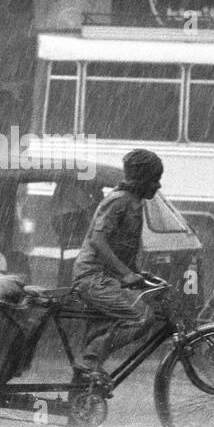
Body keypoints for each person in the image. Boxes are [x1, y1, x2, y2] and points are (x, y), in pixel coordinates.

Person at [69, 149, 165, 386]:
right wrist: (126, 274)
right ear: (141, 179)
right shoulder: (119, 200)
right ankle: (88, 361)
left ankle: (82, 394)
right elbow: (98, 241)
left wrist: (137, 273)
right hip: (93, 278)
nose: (158, 185)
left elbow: (121, 247)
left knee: (101, 332)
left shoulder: (134, 203)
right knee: (141, 317)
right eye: (154, 179)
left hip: (107, 279)